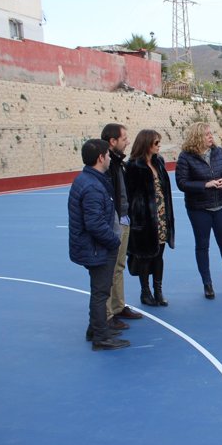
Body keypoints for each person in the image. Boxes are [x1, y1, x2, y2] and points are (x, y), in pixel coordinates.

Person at [68, 139, 130, 351]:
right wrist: (114, 241)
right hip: (98, 247)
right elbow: (94, 223)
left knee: (100, 290)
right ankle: (101, 337)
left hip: (95, 246)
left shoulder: (89, 179)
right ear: (100, 158)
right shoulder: (92, 186)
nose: (111, 157)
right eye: (108, 154)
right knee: (101, 292)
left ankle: (96, 329)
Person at [176, 122, 222, 299]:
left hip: (221, 205)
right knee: (202, 246)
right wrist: (205, 185)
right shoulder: (185, 157)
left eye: (211, 133)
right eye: (207, 134)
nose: (211, 136)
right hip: (199, 209)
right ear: (197, 137)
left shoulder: (218, 152)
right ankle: (207, 284)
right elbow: (182, 183)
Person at [125, 130, 175, 307]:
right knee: (145, 256)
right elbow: (129, 196)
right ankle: (145, 292)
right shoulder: (132, 166)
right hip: (144, 221)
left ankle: (158, 290)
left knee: (159, 255)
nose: (159, 146)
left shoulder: (158, 162)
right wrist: (137, 216)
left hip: (161, 217)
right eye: (156, 143)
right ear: (146, 143)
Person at [101, 123, 143, 331]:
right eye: (124, 138)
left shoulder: (119, 163)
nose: (127, 141)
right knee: (109, 268)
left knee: (119, 266)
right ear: (112, 141)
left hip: (124, 219)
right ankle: (107, 314)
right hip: (115, 222)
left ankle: (118, 307)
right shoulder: (107, 164)